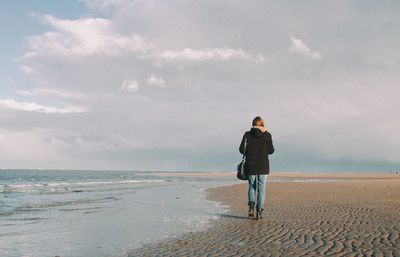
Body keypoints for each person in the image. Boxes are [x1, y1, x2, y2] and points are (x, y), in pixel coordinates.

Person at [239, 116, 274, 220]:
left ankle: (251, 207)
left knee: (252, 186)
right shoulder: (267, 135)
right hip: (263, 165)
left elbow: (241, 150)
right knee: (261, 188)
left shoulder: (247, 134)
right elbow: (271, 151)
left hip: (251, 164)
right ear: (262, 124)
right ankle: (260, 210)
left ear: (253, 124)